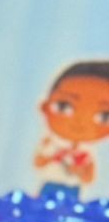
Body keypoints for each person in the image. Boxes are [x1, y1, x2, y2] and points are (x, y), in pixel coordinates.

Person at [34, 62, 109, 190]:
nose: (81, 122)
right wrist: (52, 157)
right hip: (49, 186)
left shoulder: (85, 154)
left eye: (104, 116)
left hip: (72, 190)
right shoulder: (51, 144)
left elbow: (89, 177)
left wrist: (79, 171)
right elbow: (38, 163)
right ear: (45, 108)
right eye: (63, 106)